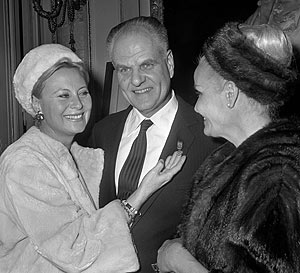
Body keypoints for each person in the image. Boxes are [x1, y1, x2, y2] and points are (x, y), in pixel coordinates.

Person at [0, 43, 186, 273]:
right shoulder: (25, 164)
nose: (77, 104)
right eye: (63, 95)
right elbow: (74, 250)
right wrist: (141, 193)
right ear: (37, 104)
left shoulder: (81, 155)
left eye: (83, 92)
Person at [157, 22, 300, 273]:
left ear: (230, 93)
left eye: (200, 93)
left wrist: (178, 262)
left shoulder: (278, 182)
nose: (196, 107)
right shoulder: (223, 160)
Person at [89, 16, 219, 272]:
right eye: (124, 69)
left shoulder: (210, 137)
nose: (136, 80)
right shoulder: (102, 132)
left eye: (146, 64)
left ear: (169, 63)